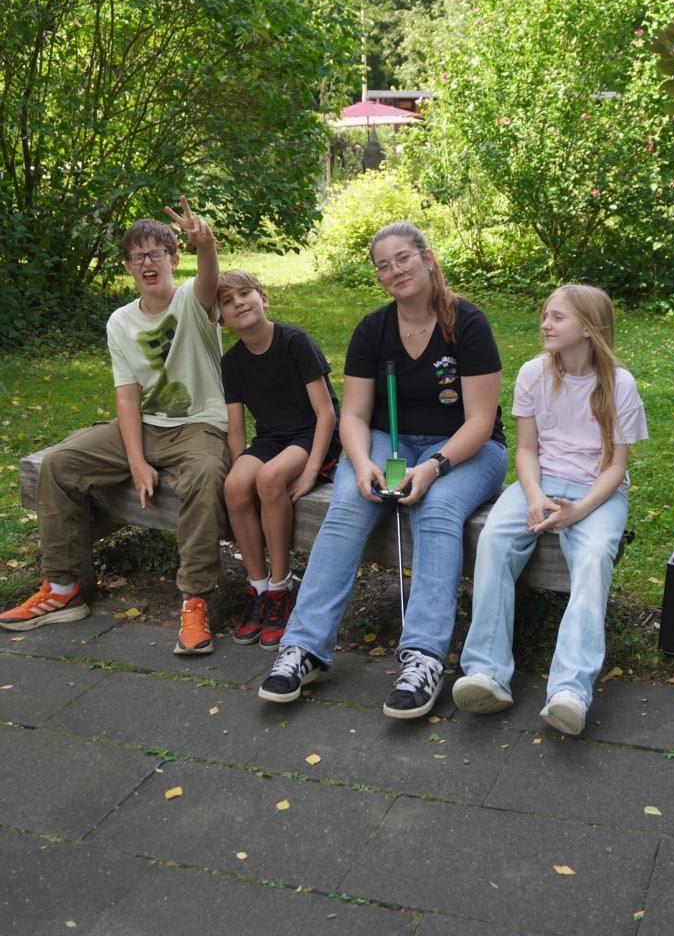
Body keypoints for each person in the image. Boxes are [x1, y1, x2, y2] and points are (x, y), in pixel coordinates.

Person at [258, 221, 508, 719]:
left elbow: (480, 421)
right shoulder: (373, 330)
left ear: (427, 259)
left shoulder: (468, 324)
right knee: (350, 503)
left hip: (464, 449)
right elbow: (352, 415)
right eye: (383, 266)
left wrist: (434, 466)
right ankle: (303, 646)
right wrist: (362, 463)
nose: (395, 271)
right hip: (388, 443)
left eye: (403, 259)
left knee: (437, 509)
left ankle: (424, 657)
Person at [0, 199, 230, 656]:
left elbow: (209, 276)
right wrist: (136, 461)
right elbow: (126, 396)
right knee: (60, 464)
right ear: (128, 266)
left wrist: (205, 243)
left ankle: (196, 600)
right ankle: (63, 588)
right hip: (145, 424)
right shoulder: (120, 321)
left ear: (174, 259)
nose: (147, 263)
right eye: (137, 256)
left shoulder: (193, 300)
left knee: (205, 477)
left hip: (199, 426)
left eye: (156, 253)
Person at [453, 284, 648, 735]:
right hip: (538, 482)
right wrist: (534, 496)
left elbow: (616, 468)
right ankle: (486, 672)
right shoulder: (533, 373)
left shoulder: (619, 384)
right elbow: (526, 450)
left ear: (589, 328)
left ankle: (569, 691)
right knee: (495, 540)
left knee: (593, 557)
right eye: (545, 315)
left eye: (558, 317)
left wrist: (579, 510)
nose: (546, 323)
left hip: (596, 491)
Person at [217, 269, 341, 650]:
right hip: (272, 439)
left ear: (264, 298)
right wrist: (240, 466)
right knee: (235, 485)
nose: (239, 303)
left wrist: (310, 471)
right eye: (227, 301)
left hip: (313, 435)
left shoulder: (295, 343)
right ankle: (257, 587)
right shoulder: (232, 362)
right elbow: (236, 429)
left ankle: (281, 588)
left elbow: (326, 414)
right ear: (221, 319)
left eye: (245, 293)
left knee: (270, 478)